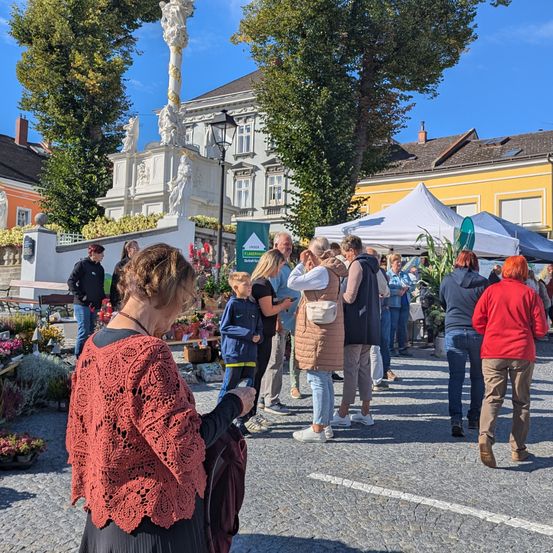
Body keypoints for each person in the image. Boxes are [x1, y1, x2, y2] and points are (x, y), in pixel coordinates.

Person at [66, 243, 256, 552]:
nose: (177, 317)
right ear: (165, 294)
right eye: (181, 303)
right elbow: (185, 447)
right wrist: (234, 402)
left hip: (106, 518)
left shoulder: (92, 345)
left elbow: (83, 437)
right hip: (156, 522)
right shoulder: (148, 353)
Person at [472, 255, 548, 468]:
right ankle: (518, 449)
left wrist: (492, 331)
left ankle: (485, 436)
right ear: (524, 272)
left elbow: (477, 321)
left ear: (505, 270)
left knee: (492, 397)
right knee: (521, 401)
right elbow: (541, 329)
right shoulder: (530, 294)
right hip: (521, 351)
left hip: (493, 350)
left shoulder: (491, 291)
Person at [288, 237, 348, 443]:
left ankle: (318, 427)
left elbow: (292, 282)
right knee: (324, 378)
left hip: (318, 331)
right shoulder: (333, 270)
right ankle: (326, 424)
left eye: (309, 252)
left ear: (314, 253)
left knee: (317, 379)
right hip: (328, 329)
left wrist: (301, 264)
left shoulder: (321, 271)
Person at [332, 237, 383, 428]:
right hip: (370, 324)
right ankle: (365, 412)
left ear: (351, 250)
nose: (346, 258)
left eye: (346, 254)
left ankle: (343, 413)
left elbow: (350, 296)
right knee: (364, 368)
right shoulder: (372, 265)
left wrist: (335, 294)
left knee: (350, 369)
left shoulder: (356, 265)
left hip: (355, 323)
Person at [439, 251, 489, 437]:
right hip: (478, 332)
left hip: (454, 330)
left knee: (456, 378)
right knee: (477, 377)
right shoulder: (483, 283)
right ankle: (474, 417)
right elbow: (487, 309)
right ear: (475, 263)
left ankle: (456, 419)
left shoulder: (447, 280)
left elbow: (443, 302)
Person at [248, 250, 293, 432]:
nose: (281, 270)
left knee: (258, 376)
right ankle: (249, 416)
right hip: (262, 337)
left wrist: (279, 302)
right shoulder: (261, 284)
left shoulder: (262, 283)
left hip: (264, 335)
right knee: (256, 377)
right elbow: (267, 311)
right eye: (280, 266)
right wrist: (283, 305)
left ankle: (252, 414)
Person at [218, 272, 264, 436]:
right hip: (235, 354)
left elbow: (259, 327)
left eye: (250, 283)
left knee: (249, 389)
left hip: (250, 354)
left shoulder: (253, 306)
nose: (250, 287)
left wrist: (259, 336)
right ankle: (221, 420)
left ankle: (241, 422)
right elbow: (225, 327)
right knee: (230, 387)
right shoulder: (232, 304)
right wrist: (247, 333)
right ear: (236, 287)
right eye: (246, 284)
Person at [261, 232, 301, 411]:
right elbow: (272, 296)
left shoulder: (286, 265)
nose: (289, 247)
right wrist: (277, 320)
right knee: (275, 362)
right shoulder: (275, 267)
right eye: (285, 244)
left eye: (290, 244)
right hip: (279, 321)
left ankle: (264, 397)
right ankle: (272, 400)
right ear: (276, 245)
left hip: (286, 320)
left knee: (273, 361)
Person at [67, 244, 106, 358]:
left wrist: (103, 302)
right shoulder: (82, 265)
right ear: (93, 253)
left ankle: (89, 356)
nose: (103, 256)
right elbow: (71, 282)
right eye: (101, 253)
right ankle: (78, 357)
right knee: (83, 331)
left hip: (95, 305)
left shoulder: (100, 268)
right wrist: (81, 296)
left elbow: (100, 286)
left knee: (93, 332)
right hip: (82, 305)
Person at [387, 254, 413, 357]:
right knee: (392, 327)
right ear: (392, 263)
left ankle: (402, 348)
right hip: (394, 304)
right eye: (397, 262)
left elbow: (411, 285)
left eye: (400, 262)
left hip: (405, 302)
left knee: (403, 326)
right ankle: (390, 348)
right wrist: (397, 292)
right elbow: (386, 289)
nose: (399, 264)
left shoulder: (404, 274)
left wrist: (407, 288)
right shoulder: (388, 275)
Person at [109, 240, 140, 310]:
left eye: (139, 249)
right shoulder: (121, 265)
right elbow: (115, 284)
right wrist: (115, 302)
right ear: (129, 249)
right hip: (123, 301)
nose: (138, 251)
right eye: (136, 249)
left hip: (136, 301)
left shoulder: (139, 264)